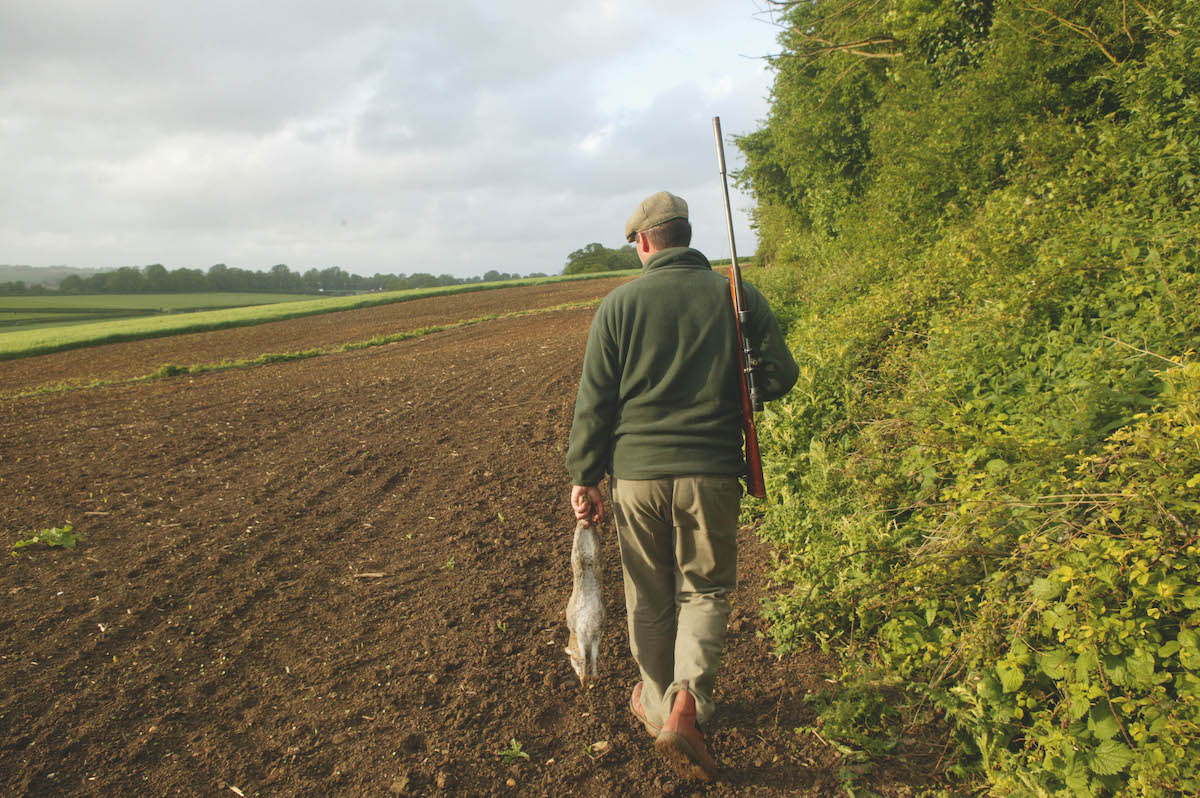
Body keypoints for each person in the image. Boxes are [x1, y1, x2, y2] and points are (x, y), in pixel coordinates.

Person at [565, 190, 799, 781]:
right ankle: (687, 702)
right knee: (705, 591)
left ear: (644, 242)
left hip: (636, 477)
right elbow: (780, 375)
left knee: (649, 595)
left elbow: (595, 401)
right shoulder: (735, 294)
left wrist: (585, 476)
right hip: (712, 473)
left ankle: (655, 705)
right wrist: (742, 386)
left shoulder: (618, 306)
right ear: (686, 236)